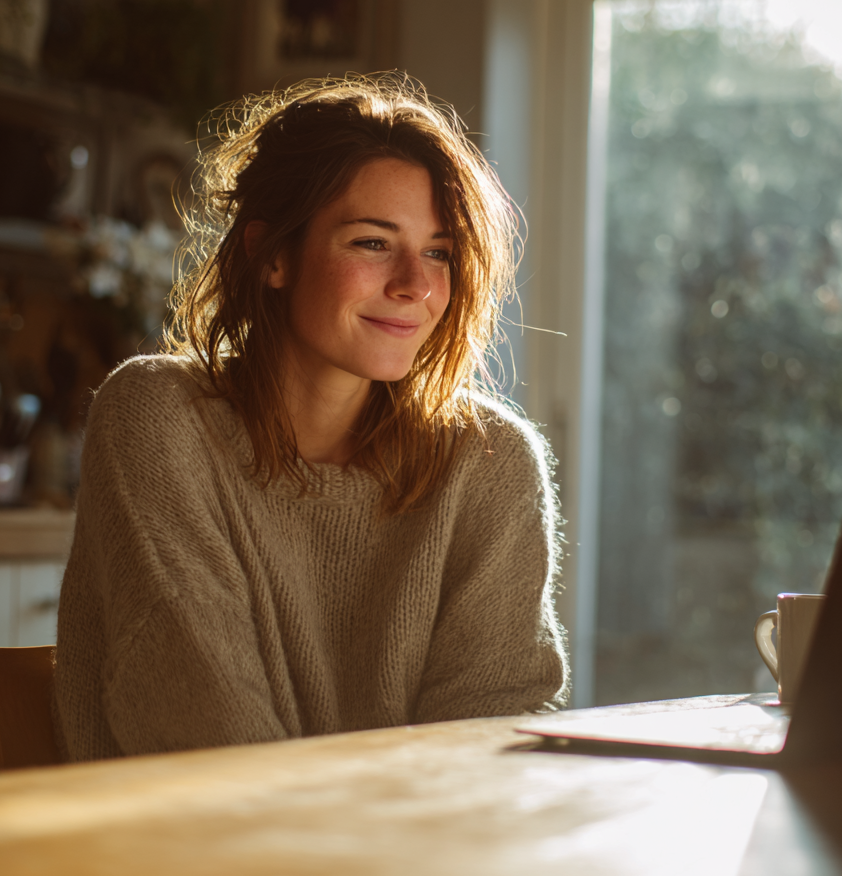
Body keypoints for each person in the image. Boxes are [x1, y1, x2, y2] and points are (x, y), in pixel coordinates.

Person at [54, 74, 569, 761]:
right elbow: (209, 741)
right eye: (372, 243)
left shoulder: (491, 463)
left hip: (419, 862)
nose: (415, 285)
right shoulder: (156, 419)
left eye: (439, 252)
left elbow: (487, 752)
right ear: (271, 256)